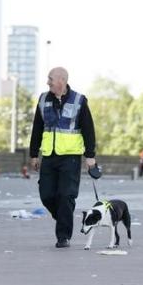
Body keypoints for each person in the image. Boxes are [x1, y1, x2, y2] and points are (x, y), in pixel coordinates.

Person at [30, 67, 96, 248]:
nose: (47, 82)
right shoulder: (43, 99)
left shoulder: (79, 100)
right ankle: (63, 218)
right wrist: (34, 154)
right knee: (46, 195)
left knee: (66, 196)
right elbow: (37, 127)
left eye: (50, 79)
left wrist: (90, 156)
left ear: (61, 80)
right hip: (49, 156)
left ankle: (63, 236)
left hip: (70, 157)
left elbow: (88, 129)